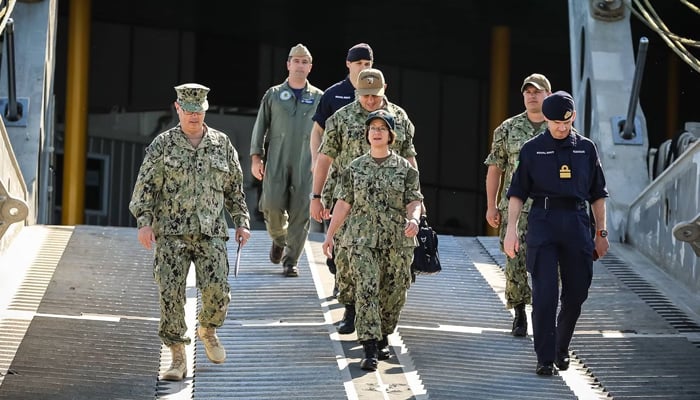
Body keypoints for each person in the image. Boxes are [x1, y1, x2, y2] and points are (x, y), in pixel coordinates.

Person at [129, 83, 252, 381]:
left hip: (210, 231)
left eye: (199, 111)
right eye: (189, 111)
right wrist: (144, 223)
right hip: (171, 233)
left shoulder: (222, 144)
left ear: (205, 110)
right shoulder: (162, 145)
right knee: (170, 295)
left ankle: (207, 329)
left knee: (218, 292)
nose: (194, 116)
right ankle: (177, 358)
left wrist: (241, 221)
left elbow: (234, 189)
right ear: (178, 109)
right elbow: (145, 188)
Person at [503, 90, 609, 376]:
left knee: (577, 293)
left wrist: (601, 232)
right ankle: (545, 358)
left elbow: (598, 194)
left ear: (573, 117)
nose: (561, 128)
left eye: (567, 122)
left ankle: (561, 346)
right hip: (544, 221)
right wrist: (511, 231)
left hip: (576, 221)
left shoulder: (586, 149)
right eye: (555, 123)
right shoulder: (532, 149)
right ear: (546, 120)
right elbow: (517, 193)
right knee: (545, 293)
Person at [310, 68, 419, 335]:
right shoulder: (341, 119)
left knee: (386, 267)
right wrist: (315, 196)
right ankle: (351, 307)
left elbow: (410, 159)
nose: (370, 100)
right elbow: (324, 159)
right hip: (346, 200)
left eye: (375, 95)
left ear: (384, 90)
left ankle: (376, 319)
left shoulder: (399, 119)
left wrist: (416, 203)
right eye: (364, 95)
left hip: (388, 205)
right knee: (346, 260)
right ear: (356, 91)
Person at [321, 110, 423, 371]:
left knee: (393, 293)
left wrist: (414, 219)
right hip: (361, 240)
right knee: (366, 289)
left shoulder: (405, 169)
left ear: (391, 135)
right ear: (367, 134)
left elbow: (414, 200)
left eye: (382, 128)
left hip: (397, 241)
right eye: (372, 128)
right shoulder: (355, 167)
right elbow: (343, 203)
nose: (376, 132)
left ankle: (383, 335)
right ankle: (368, 347)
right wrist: (330, 236)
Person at [484, 73, 552, 337]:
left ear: (548, 94)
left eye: (537, 91)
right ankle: (520, 312)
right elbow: (495, 168)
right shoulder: (507, 129)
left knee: (548, 263)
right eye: (528, 91)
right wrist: (491, 205)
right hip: (516, 208)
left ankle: (543, 311)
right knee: (514, 261)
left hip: (550, 209)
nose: (532, 95)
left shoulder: (558, 126)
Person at [250, 43, 324, 277]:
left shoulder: (320, 98)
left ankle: (291, 261)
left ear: (310, 67)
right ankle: (279, 239)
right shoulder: (273, 95)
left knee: (301, 212)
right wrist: (256, 157)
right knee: (271, 205)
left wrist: (324, 164)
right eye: (296, 61)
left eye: (305, 62)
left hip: (307, 161)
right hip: (278, 159)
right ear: (288, 64)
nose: (300, 65)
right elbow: (260, 126)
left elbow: (327, 133)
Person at [308, 42, 374, 294]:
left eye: (367, 64)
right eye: (359, 63)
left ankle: (350, 283)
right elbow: (317, 132)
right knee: (336, 230)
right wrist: (316, 161)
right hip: (337, 178)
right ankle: (339, 272)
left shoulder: (376, 96)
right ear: (348, 64)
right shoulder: (334, 94)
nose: (363, 68)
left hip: (369, 181)